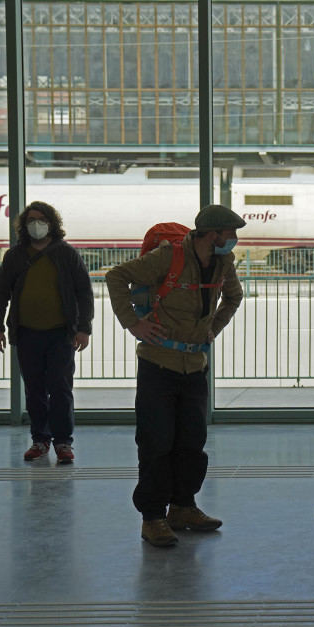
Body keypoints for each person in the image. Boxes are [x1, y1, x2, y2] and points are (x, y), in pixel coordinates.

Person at [105, 205, 245, 547]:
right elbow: (116, 277)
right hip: (158, 364)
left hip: (195, 365)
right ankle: (152, 517)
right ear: (213, 235)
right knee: (156, 443)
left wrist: (213, 328)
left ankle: (183, 507)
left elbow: (234, 297)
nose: (234, 240)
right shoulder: (169, 257)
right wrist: (132, 323)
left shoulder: (223, 262)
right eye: (230, 234)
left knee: (191, 443)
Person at [0, 201, 95, 464]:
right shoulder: (15, 255)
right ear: (24, 226)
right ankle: (40, 439)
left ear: (51, 223)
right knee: (34, 388)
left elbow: (84, 292)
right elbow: (1, 292)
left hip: (62, 334)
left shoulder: (67, 254)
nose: (36, 224)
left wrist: (84, 328)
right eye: (31, 220)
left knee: (60, 388)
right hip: (26, 333)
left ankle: (63, 442)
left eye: (41, 219)